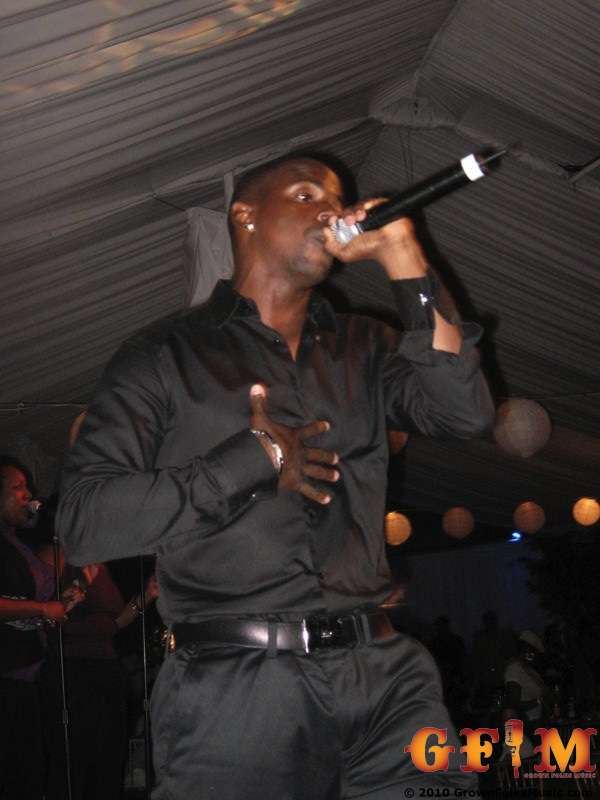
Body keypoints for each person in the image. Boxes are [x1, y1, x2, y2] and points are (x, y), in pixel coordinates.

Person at [58, 153, 495, 799]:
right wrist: (251, 462)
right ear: (245, 215)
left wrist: (406, 256)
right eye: (307, 193)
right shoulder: (163, 355)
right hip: (235, 690)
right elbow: (84, 521)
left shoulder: (364, 345)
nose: (332, 209)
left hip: (385, 677)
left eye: (338, 198)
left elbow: (464, 411)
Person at [0, 456, 72, 800]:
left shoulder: (16, 543)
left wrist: (56, 606)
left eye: (27, 487)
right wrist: (42, 608)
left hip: (26, 673)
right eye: (17, 487)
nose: (27, 495)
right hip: (7, 675)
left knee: (29, 774)